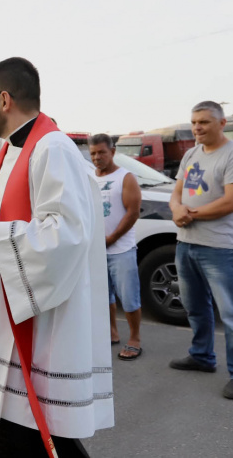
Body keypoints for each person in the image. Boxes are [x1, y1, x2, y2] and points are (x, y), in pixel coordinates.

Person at [0, 51, 112, 457]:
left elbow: (66, 234)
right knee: (8, 424)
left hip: (38, 324)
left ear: (5, 100)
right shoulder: (11, 148)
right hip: (5, 316)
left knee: (32, 428)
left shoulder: (52, 149)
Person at [169, 101, 233, 400]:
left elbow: (232, 202)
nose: (197, 128)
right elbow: (177, 192)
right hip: (186, 244)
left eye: (204, 122)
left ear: (222, 123)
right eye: (194, 122)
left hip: (218, 248)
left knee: (231, 314)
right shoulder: (192, 153)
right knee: (195, 307)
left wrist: (189, 214)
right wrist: (177, 209)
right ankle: (202, 356)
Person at [89, 134, 143, 360]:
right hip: (96, 250)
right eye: (92, 153)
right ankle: (111, 331)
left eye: (101, 152)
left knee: (129, 297)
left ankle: (135, 339)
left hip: (121, 250)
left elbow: (132, 213)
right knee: (104, 296)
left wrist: (111, 239)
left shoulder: (126, 177)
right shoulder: (89, 178)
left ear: (112, 151)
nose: (97, 157)